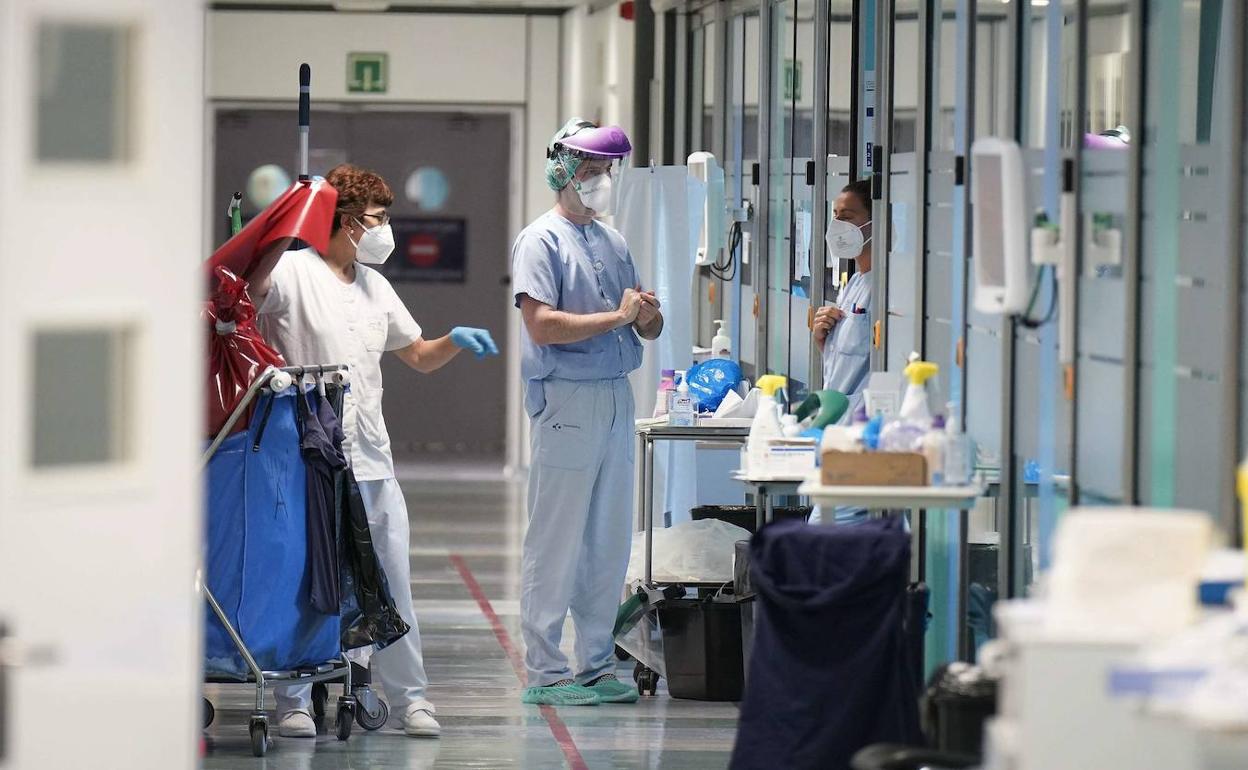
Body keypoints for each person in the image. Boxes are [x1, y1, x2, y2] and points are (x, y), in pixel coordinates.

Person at [252, 164, 499, 738]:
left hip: (371, 457)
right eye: (377, 219)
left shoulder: (375, 285)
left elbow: (416, 354)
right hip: (305, 460)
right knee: (305, 576)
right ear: (342, 222)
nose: (386, 229)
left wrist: (453, 342)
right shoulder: (293, 271)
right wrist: (284, 222)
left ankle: (411, 698)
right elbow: (250, 291)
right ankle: (293, 698)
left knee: (390, 578)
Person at [511, 119, 663, 707]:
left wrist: (647, 316)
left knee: (606, 536)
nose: (602, 181)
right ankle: (546, 670)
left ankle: (596, 663)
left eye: (607, 171)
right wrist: (618, 318)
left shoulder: (612, 240)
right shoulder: (540, 241)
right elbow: (541, 323)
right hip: (567, 399)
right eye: (593, 171)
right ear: (563, 171)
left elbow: (644, 321)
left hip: (614, 395)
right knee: (556, 538)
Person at [815, 179, 874, 417]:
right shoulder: (854, 283)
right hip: (836, 419)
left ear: (875, 223)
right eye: (835, 215)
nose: (836, 225)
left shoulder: (888, 288)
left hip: (861, 425)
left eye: (847, 216)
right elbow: (844, 363)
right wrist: (823, 341)